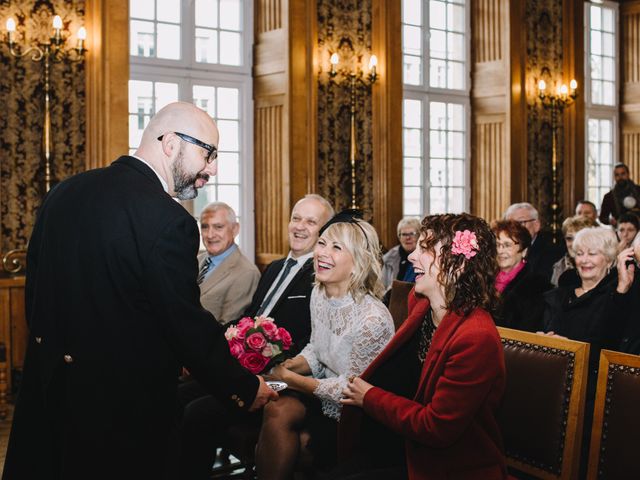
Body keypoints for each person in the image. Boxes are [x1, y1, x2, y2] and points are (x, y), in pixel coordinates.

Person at [2, 102, 277, 480]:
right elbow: (184, 325)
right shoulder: (170, 221)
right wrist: (243, 387)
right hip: (122, 414)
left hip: (51, 393)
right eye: (207, 152)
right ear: (169, 142)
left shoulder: (63, 193)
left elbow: (36, 298)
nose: (211, 169)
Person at [338, 213, 507, 480]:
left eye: (425, 248)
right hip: (407, 445)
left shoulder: (476, 337)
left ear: (458, 263)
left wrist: (369, 397)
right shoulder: (421, 305)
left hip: (452, 465)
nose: (413, 256)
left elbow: (436, 427)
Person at [178, 194, 334, 480]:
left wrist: (262, 368)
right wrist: (212, 348)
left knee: (196, 414)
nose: (300, 226)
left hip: (277, 380)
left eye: (311, 222)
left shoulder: (321, 277)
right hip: (241, 368)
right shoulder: (275, 267)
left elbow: (311, 342)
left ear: (325, 232)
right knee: (177, 395)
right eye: (296, 218)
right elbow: (249, 317)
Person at [255, 213, 395, 480]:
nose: (322, 253)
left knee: (296, 447)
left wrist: (291, 380)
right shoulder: (319, 292)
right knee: (275, 408)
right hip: (321, 393)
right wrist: (287, 366)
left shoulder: (372, 319)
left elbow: (351, 389)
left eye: (336, 247)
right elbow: (316, 349)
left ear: (357, 264)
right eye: (322, 243)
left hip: (358, 415)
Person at [542, 227, 621, 477]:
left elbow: (609, 347)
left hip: (589, 397)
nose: (584, 260)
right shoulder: (558, 296)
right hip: (550, 387)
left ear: (608, 259)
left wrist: (570, 347)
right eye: (580, 253)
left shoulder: (614, 299)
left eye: (593, 253)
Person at [197, 201, 260, 325]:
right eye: (205, 227)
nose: (210, 235)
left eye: (218, 227)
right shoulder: (197, 260)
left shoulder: (246, 273)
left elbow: (227, 329)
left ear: (235, 229)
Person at [492, 220, 551, 332]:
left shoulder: (537, 285)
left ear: (524, 251)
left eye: (507, 245)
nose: (500, 251)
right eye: (497, 245)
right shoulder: (485, 278)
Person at [504, 202, 564, 282]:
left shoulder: (552, 252)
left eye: (520, 223)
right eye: (509, 224)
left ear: (536, 225)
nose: (514, 229)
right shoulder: (501, 251)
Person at [551, 215, 598, 287]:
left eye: (578, 238)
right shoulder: (559, 266)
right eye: (569, 238)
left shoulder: (599, 264)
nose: (573, 244)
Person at [381, 217, 422, 289]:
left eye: (412, 234)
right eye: (404, 234)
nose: (408, 238)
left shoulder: (425, 258)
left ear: (419, 236)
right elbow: (382, 286)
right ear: (399, 237)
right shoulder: (389, 258)